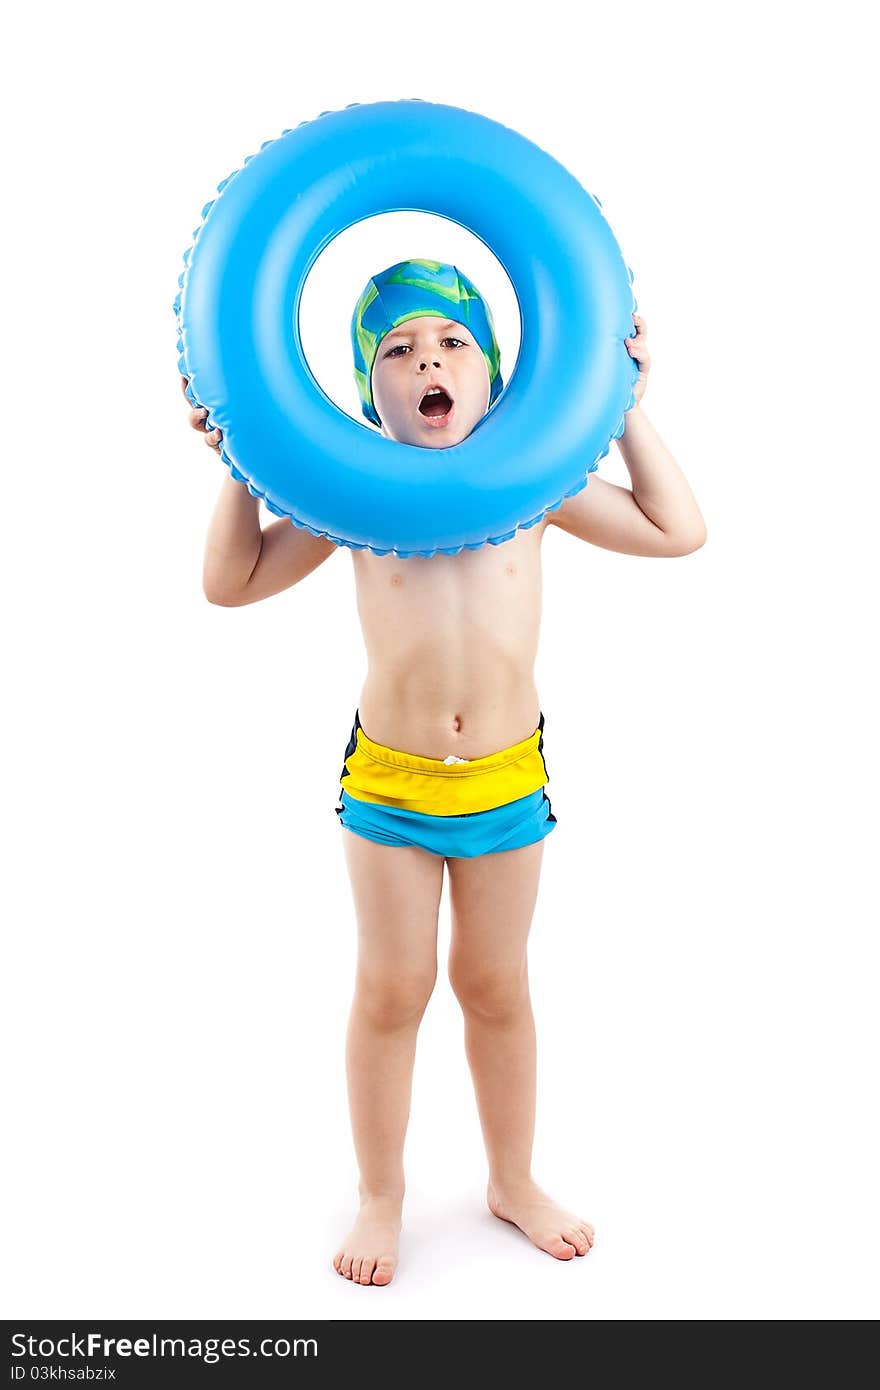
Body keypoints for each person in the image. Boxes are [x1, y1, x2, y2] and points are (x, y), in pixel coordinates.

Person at [181, 258, 707, 1288]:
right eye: (398, 349)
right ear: (366, 391)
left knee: (497, 986)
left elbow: (676, 531)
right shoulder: (353, 500)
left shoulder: (536, 486)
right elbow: (228, 584)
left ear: (494, 373)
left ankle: (511, 1177)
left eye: (452, 343)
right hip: (389, 788)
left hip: (507, 780)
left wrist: (627, 412)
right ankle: (382, 1193)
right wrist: (240, 465)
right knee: (391, 990)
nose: (428, 359)